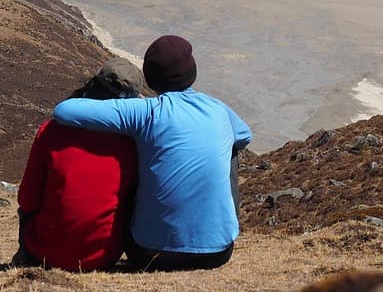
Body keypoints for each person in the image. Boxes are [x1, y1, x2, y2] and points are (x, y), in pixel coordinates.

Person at [53, 34, 251, 271]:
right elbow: (244, 135)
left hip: (149, 253)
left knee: (139, 144)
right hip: (218, 253)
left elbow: (64, 110)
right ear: (192, 72)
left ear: (151, 78)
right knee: (229, 150)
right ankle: (216, 229)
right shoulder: (218, 110)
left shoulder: (146, 112)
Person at [13, 58, 143, 271]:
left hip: (45, 253)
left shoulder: (51, 131)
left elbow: (27, 200)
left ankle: (24, 256)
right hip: (104, 257)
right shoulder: (132, 142)